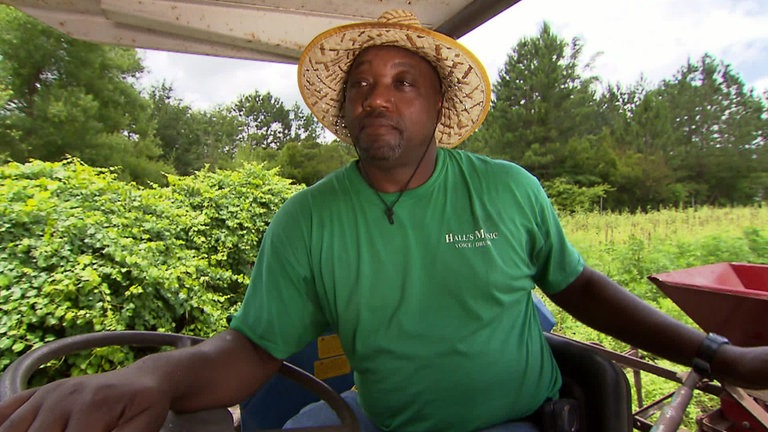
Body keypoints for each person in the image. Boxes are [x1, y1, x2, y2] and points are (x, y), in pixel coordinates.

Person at [0, 9, 766, 432]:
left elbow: (578, 286)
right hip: (376, 418)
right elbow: (253, 349)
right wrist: (155, 374)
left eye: (404, 82)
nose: (377, 96)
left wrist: (719, 354)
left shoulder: (508, 190)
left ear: (438, 107)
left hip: (517, 422)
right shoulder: (306, 220)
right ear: (343, 110)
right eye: (362, 84)